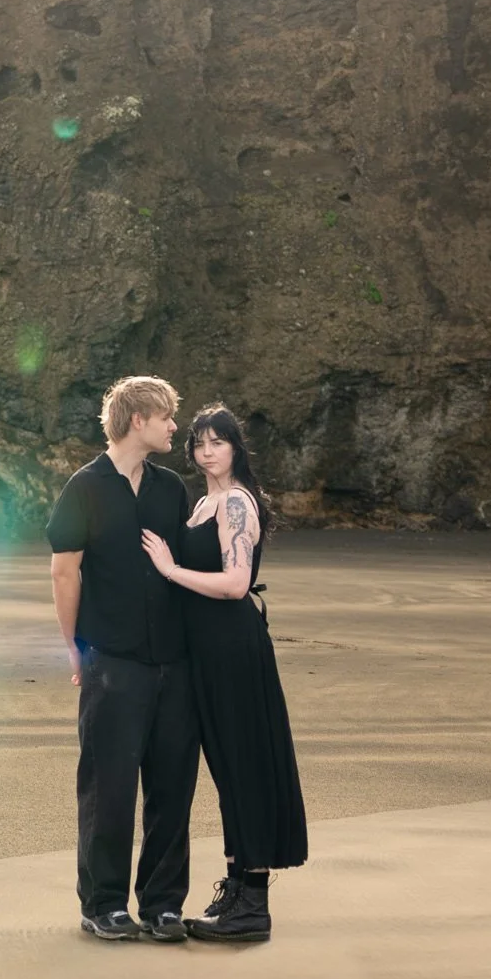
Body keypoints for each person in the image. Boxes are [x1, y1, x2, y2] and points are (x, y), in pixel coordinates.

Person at [141, 403, 307, 943]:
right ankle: (236, 889)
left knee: (244, 765)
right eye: (199, 443)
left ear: (236, 448)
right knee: (228, 770)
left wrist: (169, 569)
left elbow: (236, 584)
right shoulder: (203, 504)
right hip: (206, 653)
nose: (208, 451)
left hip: (232, 649)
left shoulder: (235, 503)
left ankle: (252, 904)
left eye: (219, 442)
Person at [47, 374, 199, 943]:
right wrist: (75, 648)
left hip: (174, 663)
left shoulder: (170, 490)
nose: (173, 427)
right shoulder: (85, 487)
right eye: (166, 417)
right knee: (107, 785)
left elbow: (184, 568)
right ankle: (103, 903)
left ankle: (162, 903)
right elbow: (65, 572)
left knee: (172, 785)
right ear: (139, 419)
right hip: (112, 660)